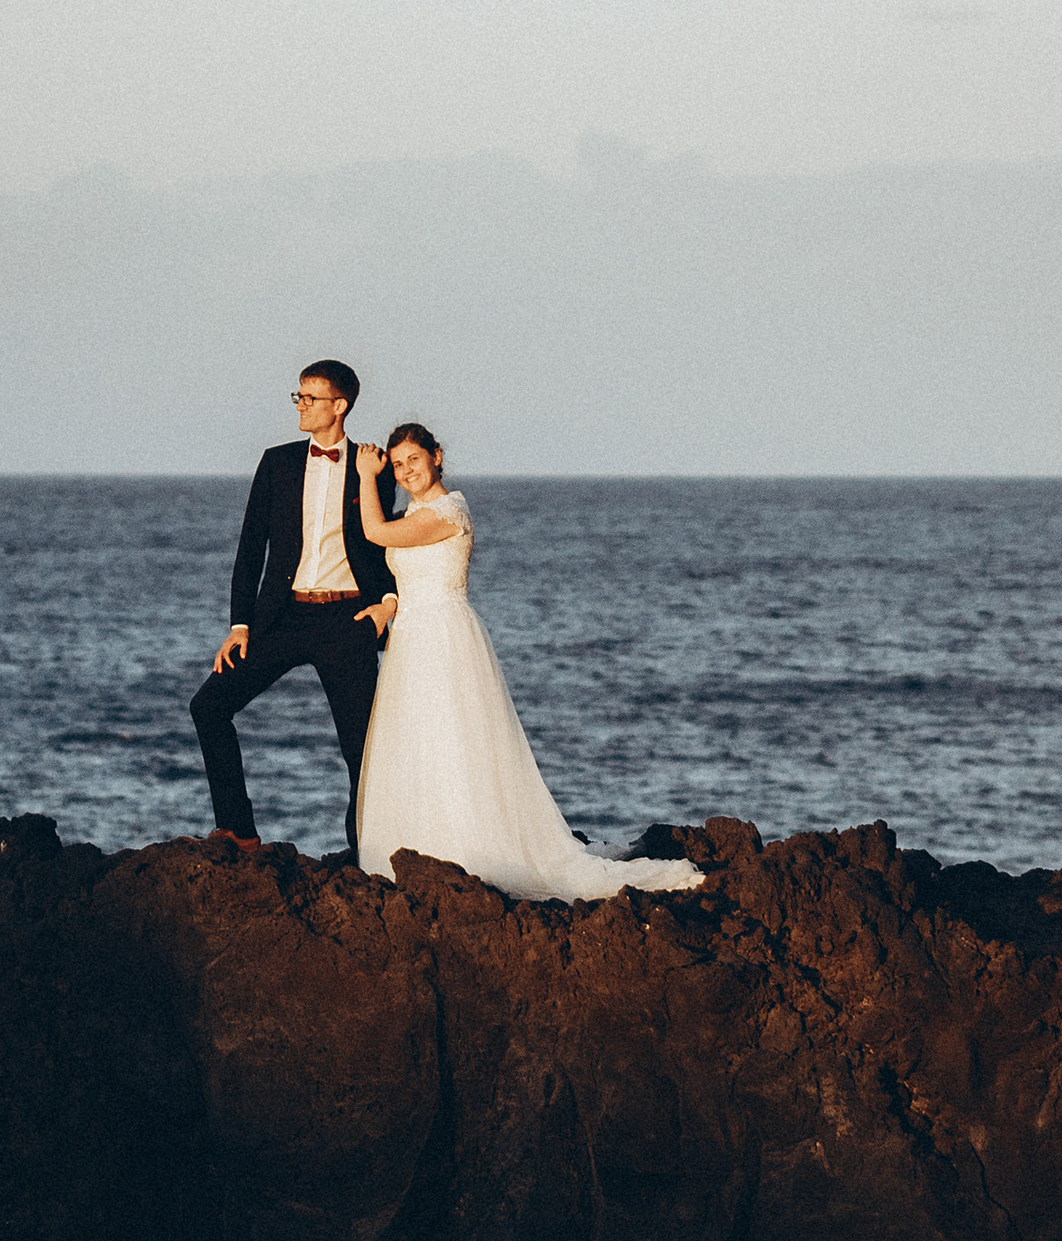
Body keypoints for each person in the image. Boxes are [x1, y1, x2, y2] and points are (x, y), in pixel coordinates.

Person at [348, 424, 702, 902]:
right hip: (411, 635)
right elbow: (403, 568)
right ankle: (423, 839)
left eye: (413, 459)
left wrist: (367, 476)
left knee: (453, 738)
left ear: (436, 457)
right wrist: (389, 604)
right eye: (396, 464)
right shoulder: (416, 510)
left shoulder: (449, 511)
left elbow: (375, 533)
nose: (405, 470)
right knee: (420, 739)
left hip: (444, 636)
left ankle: (469, 844)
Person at [192, 359, 394, 858]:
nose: (300, 405)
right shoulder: (276, 462)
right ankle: (237, 830)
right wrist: (239, 625)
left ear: (339, 405)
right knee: (209, 706)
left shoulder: (373, 465)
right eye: (298, 396)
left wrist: (388, 603)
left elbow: (387, 543)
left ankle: (364, 852)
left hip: (347, 621)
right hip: (280, 617)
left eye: (310, 397)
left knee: (360, 749)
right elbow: (250, 547)